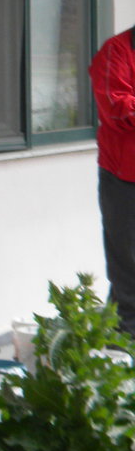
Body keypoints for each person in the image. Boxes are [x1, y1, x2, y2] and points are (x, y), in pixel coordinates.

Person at [89, 25, 135, 339]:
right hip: (124, 177)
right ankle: (126, 340)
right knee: (127, 265)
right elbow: (116, 109)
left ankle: (115, 333)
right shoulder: (116, 51)